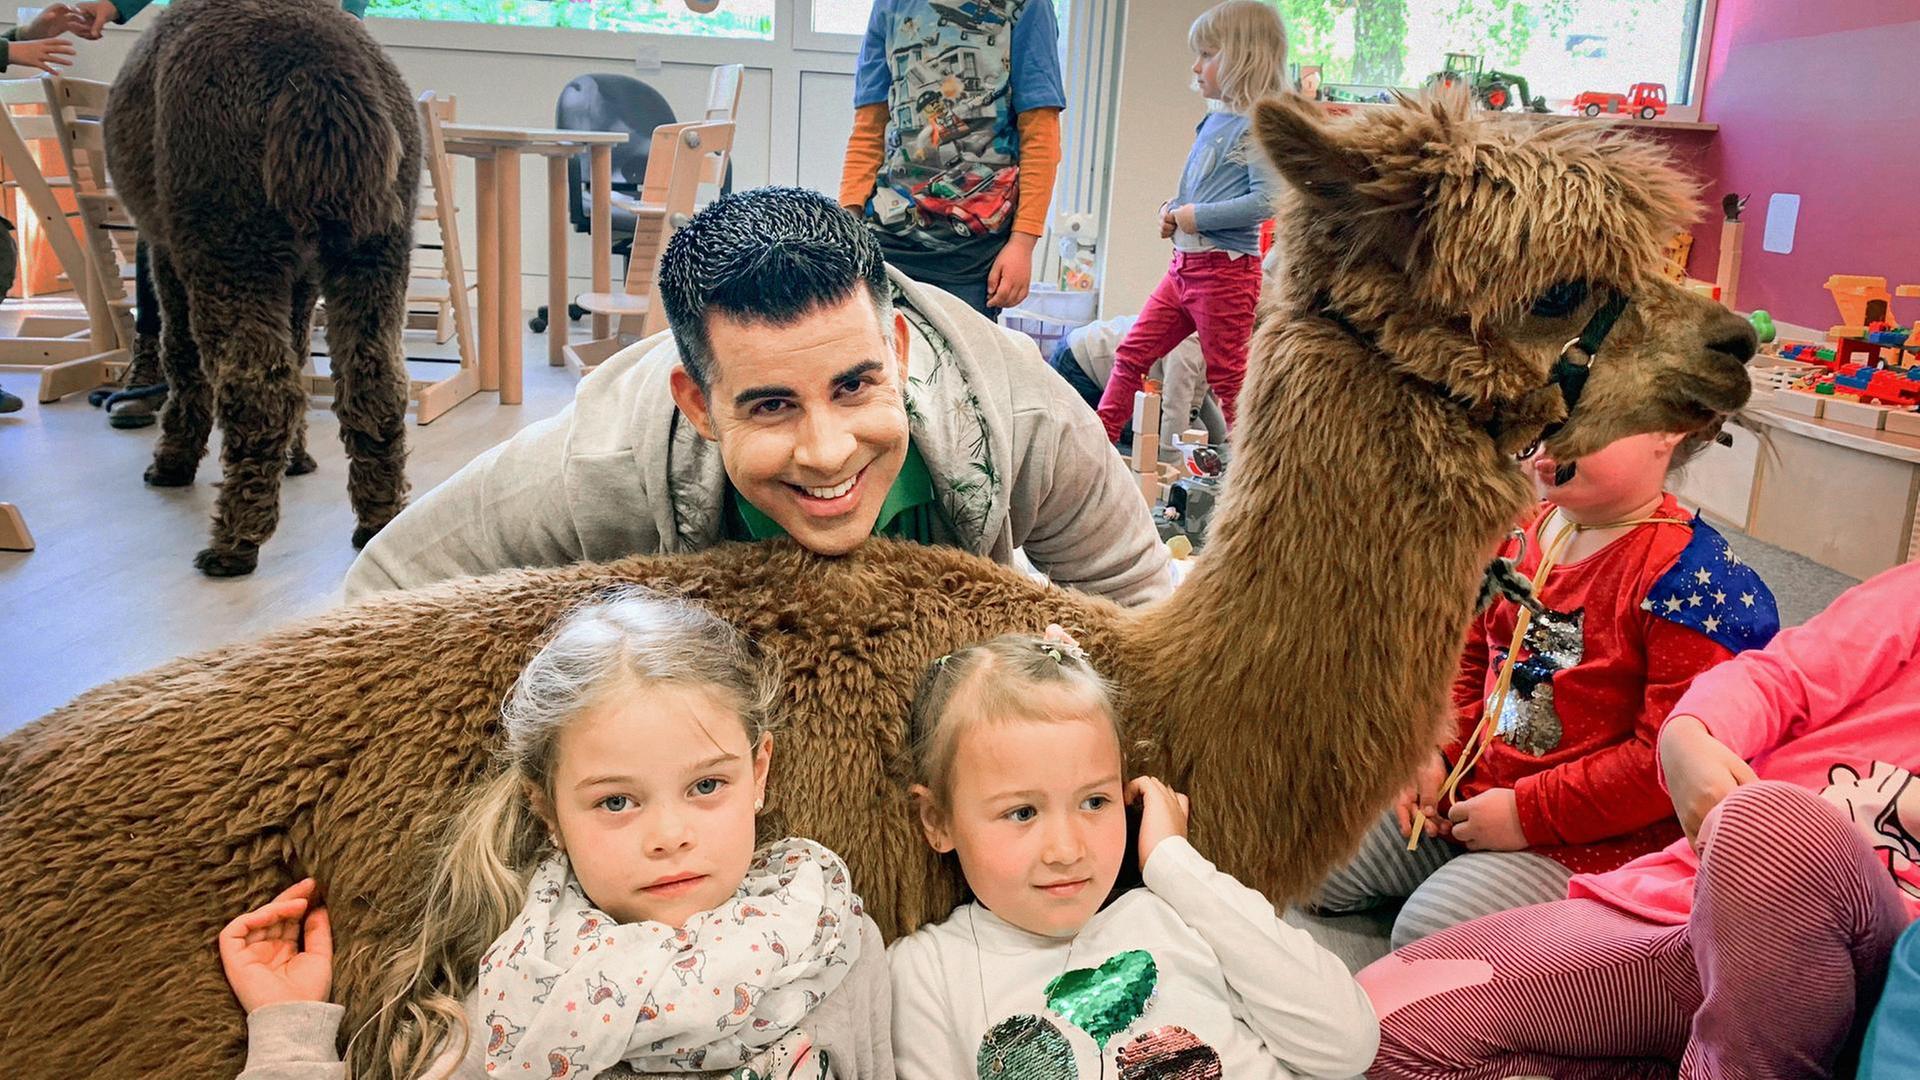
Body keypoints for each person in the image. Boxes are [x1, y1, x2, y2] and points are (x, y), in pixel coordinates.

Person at [346, 188, 1170, 607]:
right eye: (772, 406)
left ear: (900, 351)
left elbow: (1141, 600)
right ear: (698, 406)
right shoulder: (598, 464)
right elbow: (380, 592)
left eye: (854, 386)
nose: (827, 452)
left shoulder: (1028, 422)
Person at [219, 591, 894, 1079]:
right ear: (548, 814)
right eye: (616, 801)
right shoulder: (528, 986)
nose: (667, 835)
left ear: (759, 773)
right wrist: (290, 1031)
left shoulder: (832, 934)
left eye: (706, 787)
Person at [1361, 558, 1920, 1079]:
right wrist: (1690, 733)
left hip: (1866, 951)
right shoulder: (1907, 593)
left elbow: (1636, 777)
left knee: (1771, 825)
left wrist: (1532, 810)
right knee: (1366, 1029)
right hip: (1686, 894)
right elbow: (1780, 675)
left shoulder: (1692, 577)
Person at [1312, 429, 1779, 948]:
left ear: (1668, 432)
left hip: (1589, 839)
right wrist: (1434, 749)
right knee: (1313, 862)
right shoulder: (1524, 528)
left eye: (1588, 429)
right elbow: (1469, 653)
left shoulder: (1690, 582)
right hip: (1474, 789)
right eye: (1547, 428)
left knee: (1427, 935)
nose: (1549, 451)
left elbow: (1663, 762)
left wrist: (1527, 815)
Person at [889, 627, 1378, 1078]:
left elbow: (1347, 1044)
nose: (1066, 850)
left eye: (1094, 802)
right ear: (937, 821)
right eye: (1022, 813)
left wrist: (1175, 863)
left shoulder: (1179, 910)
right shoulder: (928, 971)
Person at [1093, 0, 1283, 442]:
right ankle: (1099, 444)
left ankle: (1254, 472)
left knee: (1230, 381)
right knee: (1132, 353)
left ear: (1243, 57)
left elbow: (1269, 199)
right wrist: (1172, 210)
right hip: (1184, 268)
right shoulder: (1217, 120)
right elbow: (1198, 188)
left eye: (1208, 54)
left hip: (1225, 273)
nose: (1196, 66)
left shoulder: (1257, 125)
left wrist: (1195, 217)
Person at [839, 0, 1064, 321]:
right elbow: (868, 126)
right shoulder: (889, 5)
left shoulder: (1028, 5)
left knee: (964, 366)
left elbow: (1041, 131)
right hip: (887, 241)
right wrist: (847, 224)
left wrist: (1023, 243)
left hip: (973, 256)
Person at [1048, 314, 1226, 450]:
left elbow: (1201, 394)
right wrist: (1170, 469)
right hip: (1079, 362)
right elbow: (1175, 408)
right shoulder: (1188, 344)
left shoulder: (1217, 342)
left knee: (1213, 435)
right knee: (1130, 439)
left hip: (1135, 371)